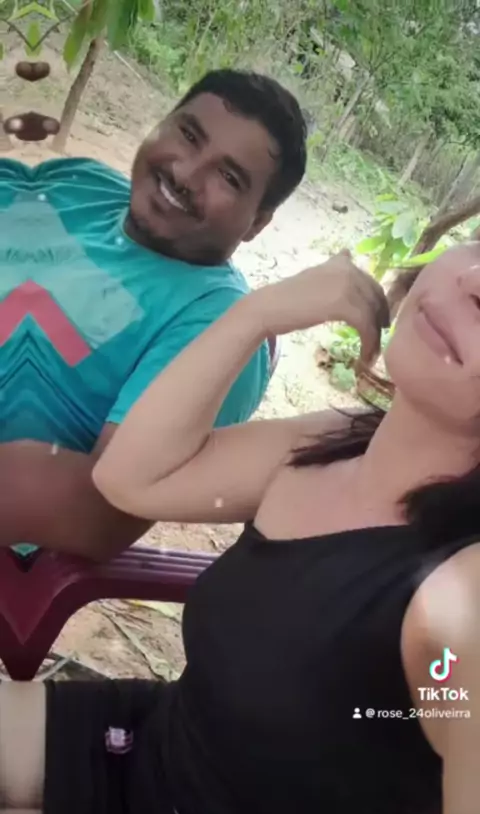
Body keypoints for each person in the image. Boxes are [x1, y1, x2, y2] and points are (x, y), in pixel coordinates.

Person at [1, 245, 478, 814]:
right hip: (147, 743)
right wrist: (257, 314)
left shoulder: (461, 594)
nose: (475, 280)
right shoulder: (336, 440)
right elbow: (130, 478)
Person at [0, 68, 307, 560]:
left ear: (257, 223)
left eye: (228, 177)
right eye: (188, 134)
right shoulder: (83, 184)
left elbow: (98, 514)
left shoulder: (218, 333)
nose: (185, 174)